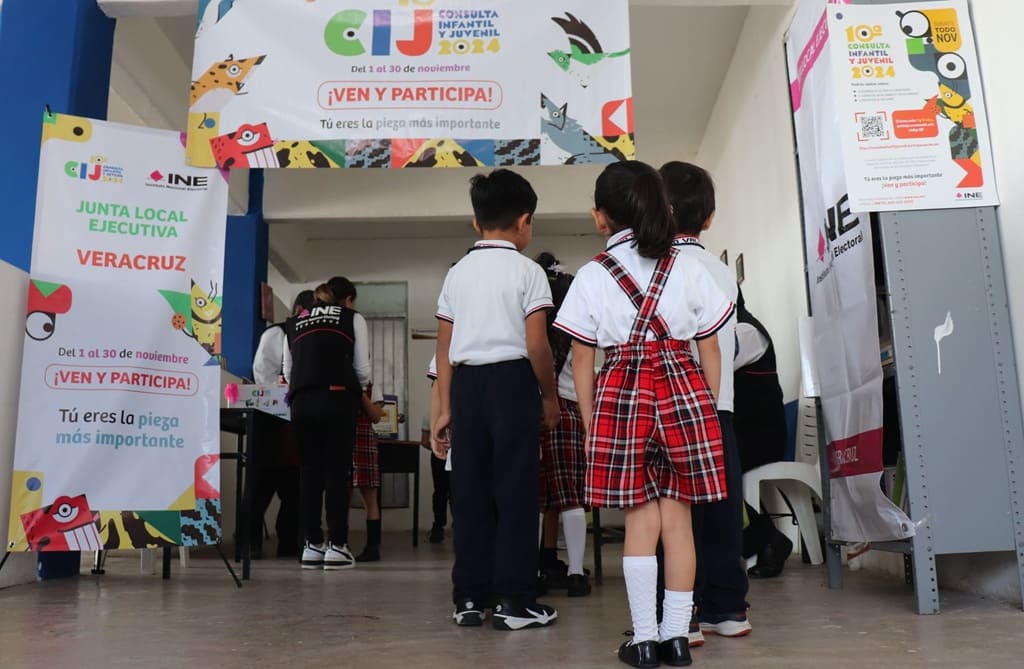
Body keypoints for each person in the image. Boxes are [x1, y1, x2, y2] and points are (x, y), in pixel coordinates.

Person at [554, 161, 733, 668]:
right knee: (679, 522)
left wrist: (592, 424)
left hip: (622, 393)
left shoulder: (592, 275)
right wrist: (708, 408)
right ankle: (678, 639)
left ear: (600, 216)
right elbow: (711, 346)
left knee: (639, 522)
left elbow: (583, 359)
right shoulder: (689, 265)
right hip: (683, 388)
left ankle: (645, 640)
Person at [432, 169, 560, 631]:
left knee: (468, 495)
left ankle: (469, 597)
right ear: (524, 221)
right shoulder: (529, 272)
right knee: (516, 493)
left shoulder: (456, 274)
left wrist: (446, 407)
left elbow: (443, 350)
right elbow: (537, 346)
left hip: (466, 387)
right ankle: (515, 601)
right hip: (512, 384)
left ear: (475, 221)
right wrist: (549, 395)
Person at [660, 161, 751, 642]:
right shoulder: (719, 272)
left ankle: (681, 613)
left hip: (670, 407)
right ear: (710, 218)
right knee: (721, 509)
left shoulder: (651, 265)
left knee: (673, 514)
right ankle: (728, 608)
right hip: (720, 405)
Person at [284, 280, 371, 570]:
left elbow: (288, 370)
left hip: (301, 400)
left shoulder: (295, 322)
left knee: (309, 472)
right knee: (336, 471)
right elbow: (362, 370)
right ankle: (337, 546)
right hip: (337, 397)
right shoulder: (352, 318)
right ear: (346, 300)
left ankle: (312, 544)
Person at [534, 252, 590, 597]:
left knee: (537, 497)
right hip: (569, 407)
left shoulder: (533, 325)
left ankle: (532, 570)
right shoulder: (574, 323)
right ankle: (576, 572)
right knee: (570, 496)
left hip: (533, 408)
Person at [247, 290, 314, 559]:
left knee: (294, 486)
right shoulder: (276, 334)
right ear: (297, 309)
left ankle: (289, 542)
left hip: (298, 418)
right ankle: (249, 542)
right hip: (269, 417)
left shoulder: (311, 336)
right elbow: (262, 374)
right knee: (260, 485)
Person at [732, 288, 793, 578]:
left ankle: (767, 539)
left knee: (714, 473)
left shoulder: (745, 332)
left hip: (761, 435)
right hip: (745, 432)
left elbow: (709, 368)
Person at [353, 382, 385, 562]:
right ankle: (339, 542)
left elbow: (376, 417)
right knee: (338, 494)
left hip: (363, 438)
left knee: (370, 497)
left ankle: (373, 547)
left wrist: (360, 393)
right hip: (340, 436)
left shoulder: (371, 387)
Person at [423, 356, 450, 543]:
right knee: (442, 491)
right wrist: (436, 440)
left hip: (447, 446)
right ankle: (438, 526)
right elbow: (426, 439)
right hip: (441, 451)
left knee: (451, 492)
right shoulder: (430, 414)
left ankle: (444, 526)